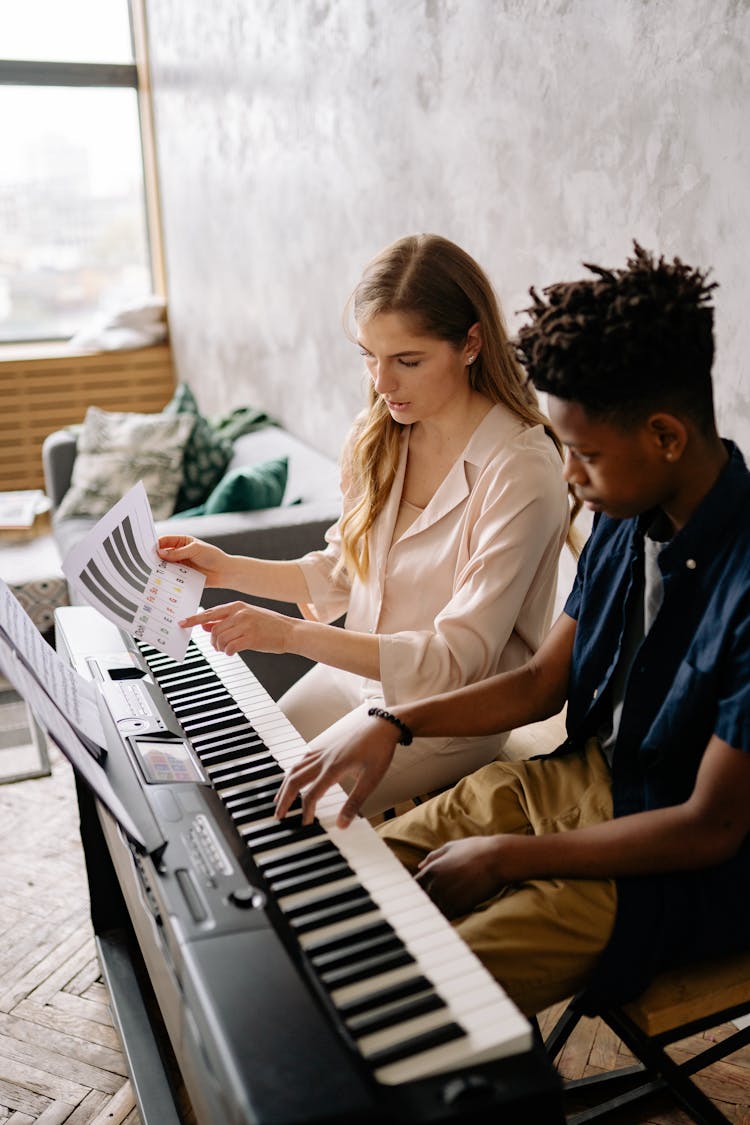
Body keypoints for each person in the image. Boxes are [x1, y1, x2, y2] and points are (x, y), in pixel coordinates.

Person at [275, 243, 750, 1018]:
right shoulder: (624, 517)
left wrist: (507, 857)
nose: (568, 476)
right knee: (328, 884)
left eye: (585, 454)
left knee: (406, 993)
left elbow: (709, 827)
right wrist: (391, 721)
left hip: (665, 868)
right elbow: (540, 685)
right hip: (570, 782)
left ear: (666, 436)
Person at [159, 233, 570, 814]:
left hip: (446, 714)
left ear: (471, 343)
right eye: (369, 356)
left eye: (407, 360)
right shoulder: (381, 432)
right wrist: (226, 568)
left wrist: (289, 636)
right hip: (353, 683)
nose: (382, 383)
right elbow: (342, 570)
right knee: (235, 779)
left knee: (280, 812)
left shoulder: (521, 470)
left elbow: (458, 661)